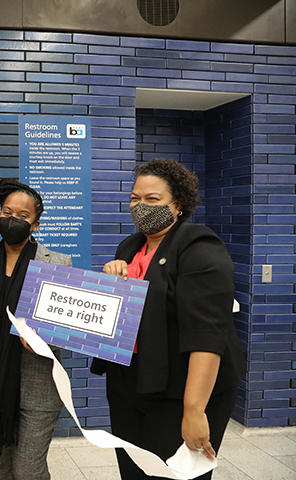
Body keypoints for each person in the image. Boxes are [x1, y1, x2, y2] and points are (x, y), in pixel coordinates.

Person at [91, 159, 246, 480]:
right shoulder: (130, 246)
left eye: (152, 199)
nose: (140, 206)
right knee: (134, 471)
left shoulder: (198, 247)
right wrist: (111, 279)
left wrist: (194, 410)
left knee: (171, 475)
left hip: (180, 390)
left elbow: (207, 334)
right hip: (129, 383)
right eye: (135, 198)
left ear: (178, 206)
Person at [0, 178, 70, 480]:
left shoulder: (58, 263)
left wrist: (44, 338)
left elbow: (68, 327)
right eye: (7, 212)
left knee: (28, 471)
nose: (13, 220)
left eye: (23, 216)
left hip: (38, 388)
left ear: (36, 225)